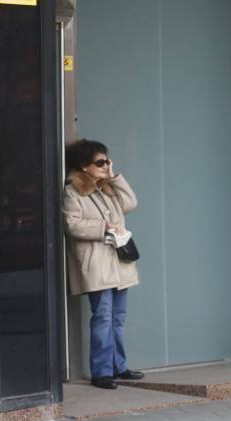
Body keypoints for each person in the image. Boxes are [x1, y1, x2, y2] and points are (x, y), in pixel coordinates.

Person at [62, 139, 145, 389]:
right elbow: (71, 224)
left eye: (107, 161)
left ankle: (119, 366)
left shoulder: (108, 189)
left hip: (119, 262)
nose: (105, 165)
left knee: (118, 318)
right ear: (84, 166)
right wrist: (103, 228)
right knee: (103, 317)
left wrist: (114, 176)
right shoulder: (73, 192)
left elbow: (131, 203)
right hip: (97, 264)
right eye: (100, 162)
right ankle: (101, 372)